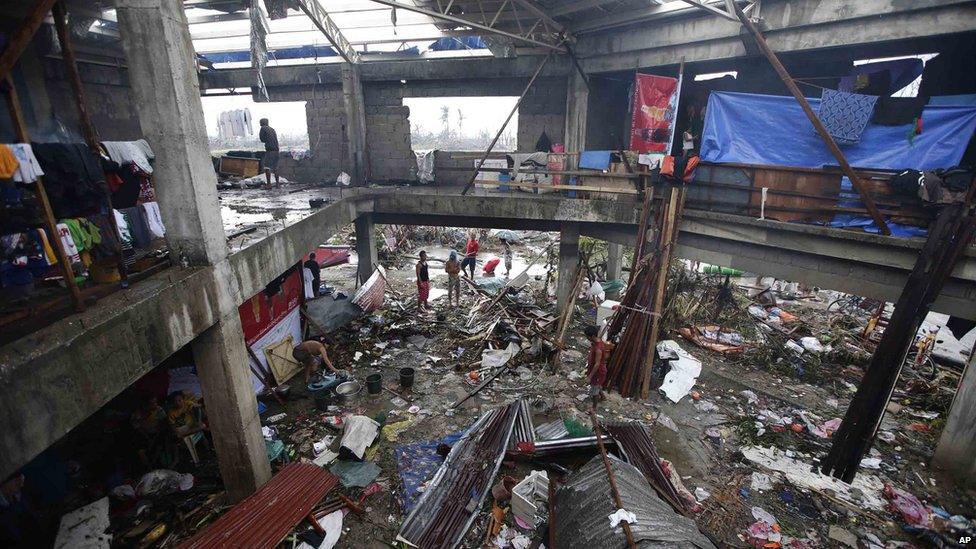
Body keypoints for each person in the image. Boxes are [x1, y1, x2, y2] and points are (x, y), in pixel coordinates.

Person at [585, 325, 613, 405]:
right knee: (597, 385)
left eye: (587, 336)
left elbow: (597, 364)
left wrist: (590, 377)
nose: (587, 338)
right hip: (596, 370)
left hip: (598, 371)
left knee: (594, 391)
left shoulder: (598, 349)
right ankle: (603, 397)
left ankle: (594, 408)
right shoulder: (596, 342)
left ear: (592, 336)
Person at [258, 118, 280, 189]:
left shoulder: (263, 128)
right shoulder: (272, 129)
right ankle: (277, 184)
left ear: (262, 123)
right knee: (275, 168)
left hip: (270, 151)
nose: (259, 124)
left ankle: (269, 184)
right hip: (276, 151)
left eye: (260, 122)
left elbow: (262, 139)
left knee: (267, 167)